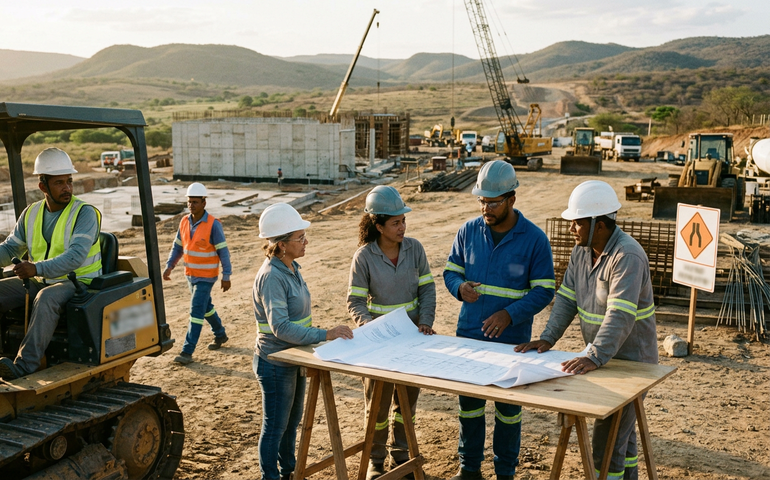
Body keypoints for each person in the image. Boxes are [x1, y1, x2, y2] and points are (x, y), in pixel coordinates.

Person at [515, 180, 658, 480]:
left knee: (607, 445)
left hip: (632, 364)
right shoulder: (582, 252)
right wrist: (548, 337)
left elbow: (620, 315)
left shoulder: (626, 257)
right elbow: (567, 298)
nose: (571, 229)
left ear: (600, 225)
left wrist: (594, 355)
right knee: (622, 441)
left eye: (577, 223)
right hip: (606, 359)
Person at [443, 160, 555, 480]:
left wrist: (510, 314)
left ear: (512, 200)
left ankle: (505, 472)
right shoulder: (468, 231)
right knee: (470, 407)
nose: (486, 208)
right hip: (470, 334)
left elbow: (545, 290)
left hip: (511, 341)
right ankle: (470, 469)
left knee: (508, 412)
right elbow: (452, 270)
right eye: (482, 201)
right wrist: (459, 288)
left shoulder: (534, 239)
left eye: (493, 202)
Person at [253, 202, 354, 480]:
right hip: (275, 362)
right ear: (282, 245)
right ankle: (270, 476)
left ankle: (289, 472)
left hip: (294, 357)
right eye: (300, 238)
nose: (305, 241)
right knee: (275, 426)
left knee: (291, 423)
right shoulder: (273, 276)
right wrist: (326, 334)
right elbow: (281, 327)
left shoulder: (291, 268)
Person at [347, 186, 437, 480]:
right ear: (378, 225)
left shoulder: (415, 249)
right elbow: (356, 302)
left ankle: (402, 459)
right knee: (378, 408)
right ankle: (375, 462)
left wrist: (425, 321)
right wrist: (371, 329)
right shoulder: (364, 257)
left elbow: (427, 289)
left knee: (405, 407)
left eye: (403, 221)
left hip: (412, 341)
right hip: (378, 347)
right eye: (396, 222)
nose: (402, 227)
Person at [0, 148, 102, 380]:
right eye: (59, 183)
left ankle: (25, 366)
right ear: (42, 186)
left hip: (78, 284)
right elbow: (9, 249)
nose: (67, 188)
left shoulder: (84, 213)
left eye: (69, 181)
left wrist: (36, 268)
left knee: (46, 298)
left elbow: (75, 257)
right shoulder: (31, 213)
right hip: (42, 280)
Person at [163, 182, 231, 365]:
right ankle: (220, 335)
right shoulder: (184, 221)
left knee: (196, 311)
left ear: (204, 203)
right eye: (189, 202)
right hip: (190, 274)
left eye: (195, 202)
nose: (191, 205)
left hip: (206, 277)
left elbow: (223, 252)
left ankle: (187, 351)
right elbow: (177, 246)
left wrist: (227, 275)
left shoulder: (213, 225)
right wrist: (170, 265)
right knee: (205, 307)